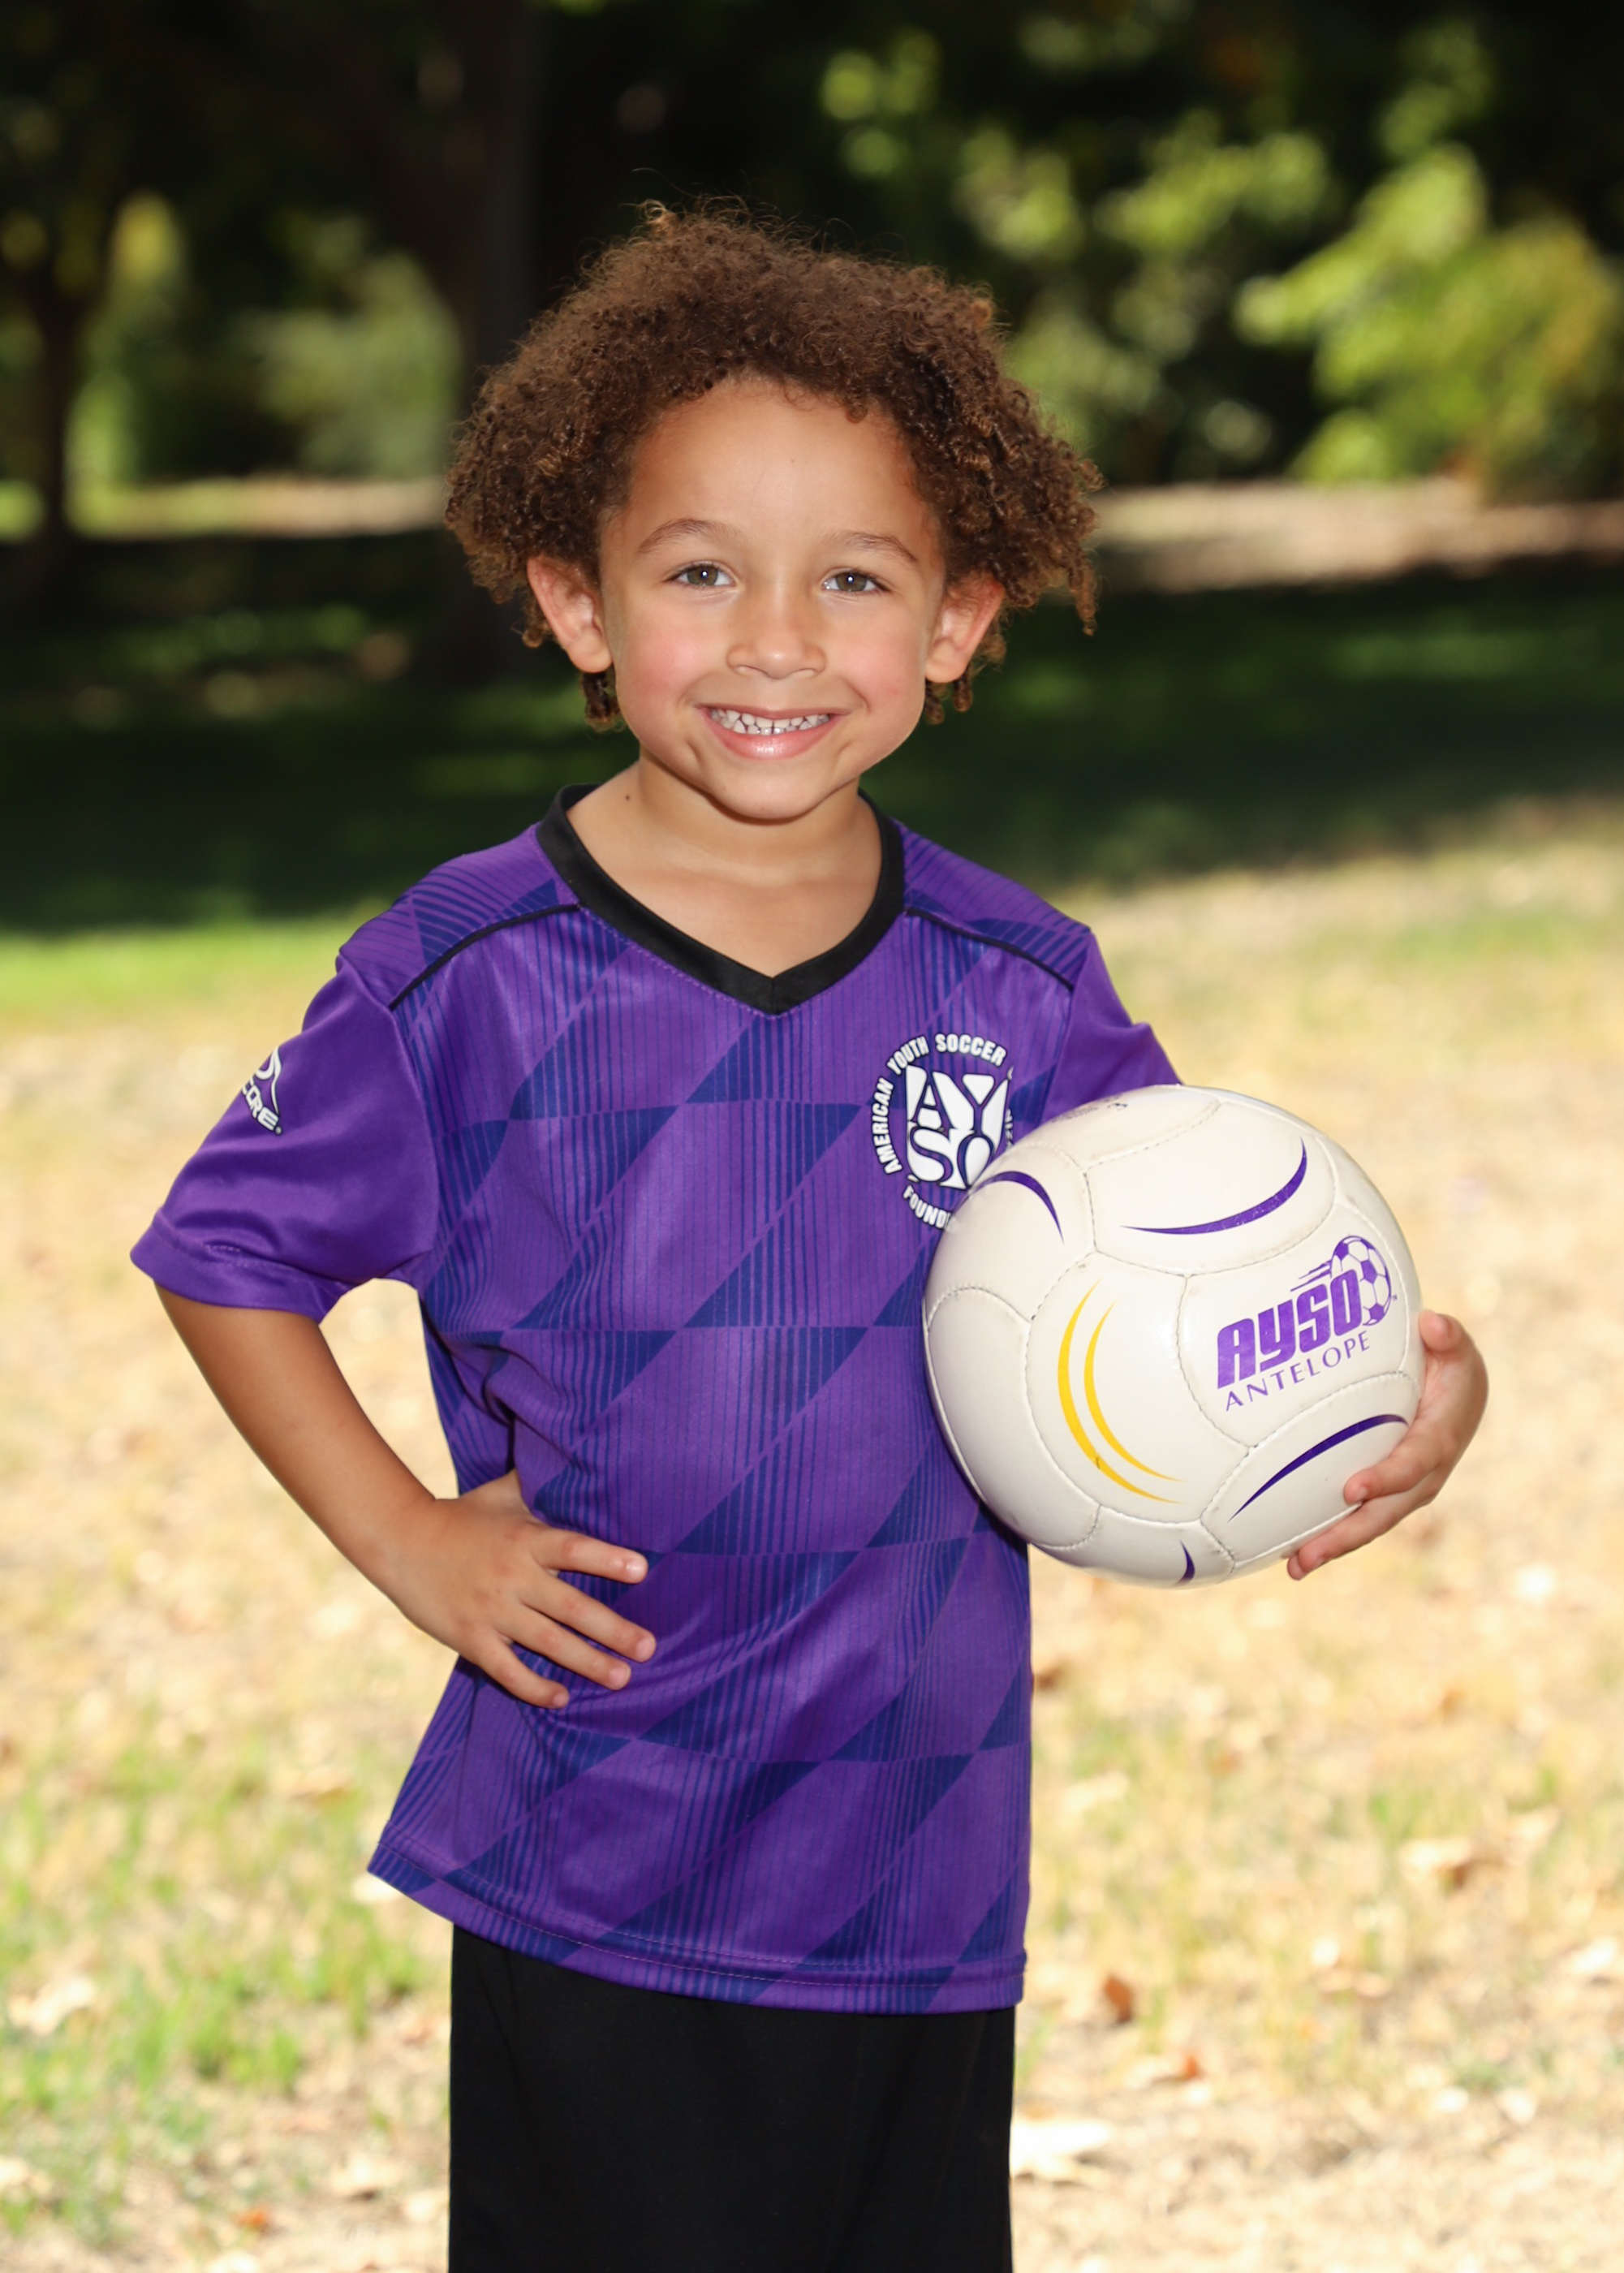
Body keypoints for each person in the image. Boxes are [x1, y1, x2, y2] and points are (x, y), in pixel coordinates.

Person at [133, 209, 1488, 2272]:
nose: (776, 640)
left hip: (916, 1855)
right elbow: (225, 1248)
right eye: (700, 572)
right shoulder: (466, 974)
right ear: (574, 600)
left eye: (853, 578)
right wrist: (411, 1537)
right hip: (600, 1848)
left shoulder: (1020, 983)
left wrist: (1399, 1389)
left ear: (956, 619)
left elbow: (1190, 1270)